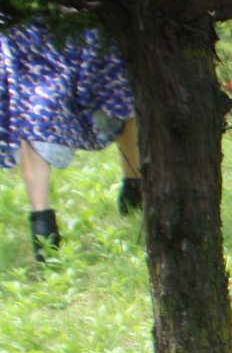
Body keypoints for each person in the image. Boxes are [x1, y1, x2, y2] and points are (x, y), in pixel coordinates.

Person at [1, 16, 141, 260]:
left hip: (63, 19)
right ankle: (134, 190)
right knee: (120, 99)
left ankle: (44, 236)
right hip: (68, 18)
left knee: (33, 112)